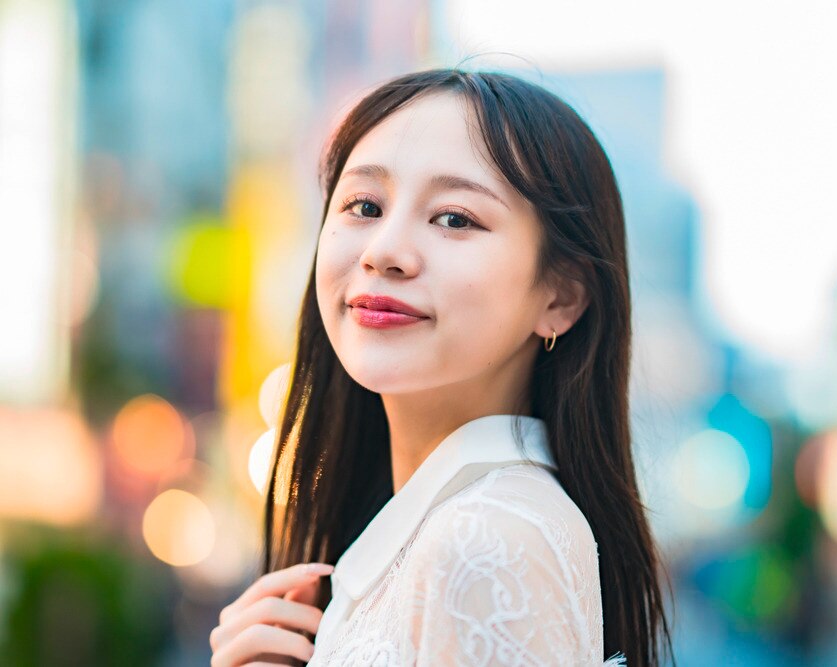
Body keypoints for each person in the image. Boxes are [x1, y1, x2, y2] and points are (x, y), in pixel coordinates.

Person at [209, 66, 674, 666]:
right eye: (364, 205)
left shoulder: (485, 541)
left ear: (560, 296)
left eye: (454, 218)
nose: (383, 252)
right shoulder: (451, 528)